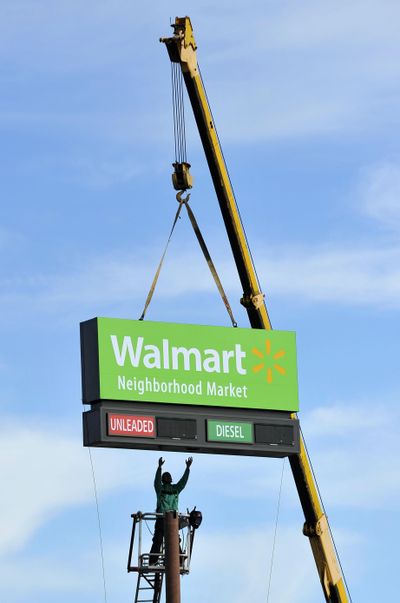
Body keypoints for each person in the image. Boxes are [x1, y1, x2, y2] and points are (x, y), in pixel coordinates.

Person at [149, 456, 193, 565]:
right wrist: (159, 468)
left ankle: (178, 560)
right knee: (159, 540)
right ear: (164, 479)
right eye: (166, 476)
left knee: (173, 540)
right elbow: (156, 481)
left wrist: (187, 468)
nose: (168, 477)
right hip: (162, 518)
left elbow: (183, 481)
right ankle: (153, 560)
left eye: (168, 476)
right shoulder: (161, 489)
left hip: (172, 519)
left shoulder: (175, 489)